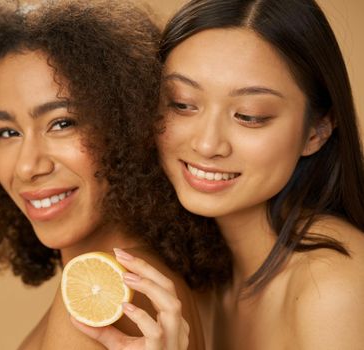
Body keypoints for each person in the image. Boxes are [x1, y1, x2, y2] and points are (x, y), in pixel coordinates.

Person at [0, 1, 225, 349]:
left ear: (127, 125)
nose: (28, 166)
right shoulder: (126, 279)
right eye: (8, 132)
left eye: (62, 123)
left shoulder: (104, 299)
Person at [156, 0, 364, 349]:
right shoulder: (200, 272)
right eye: (182, 103)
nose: (208, 144)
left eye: (249, 116)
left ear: (317, 130)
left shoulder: (336, 288)